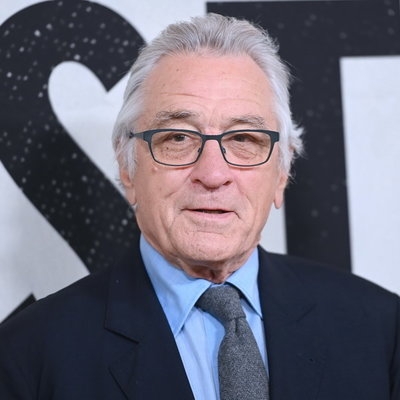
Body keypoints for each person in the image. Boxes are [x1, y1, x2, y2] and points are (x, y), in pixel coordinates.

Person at [0, 13, 399, 400]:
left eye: (244, 139)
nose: (212, 174)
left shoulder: (381, 331)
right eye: (177, 138)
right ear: (126, 167)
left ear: (281, 173)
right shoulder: (27, 357)